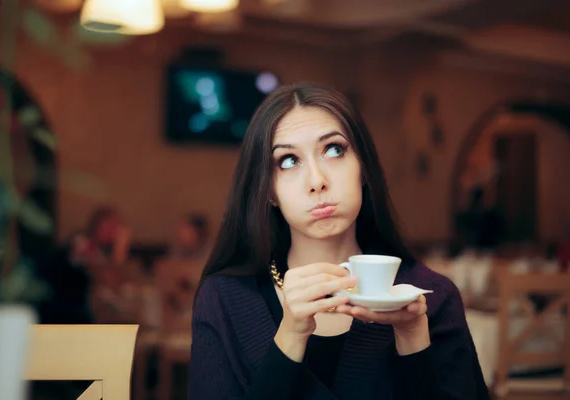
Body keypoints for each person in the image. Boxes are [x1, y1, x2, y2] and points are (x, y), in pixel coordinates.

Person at [189, 83, 489, 399]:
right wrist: (291, 335)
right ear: (268, 191)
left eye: (335, 150)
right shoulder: (223, 301)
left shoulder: (433, 298)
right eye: (288, 161)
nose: (317, 181)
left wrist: (413, 338)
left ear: (363, 168)